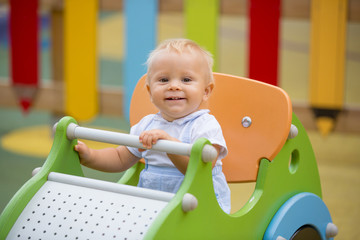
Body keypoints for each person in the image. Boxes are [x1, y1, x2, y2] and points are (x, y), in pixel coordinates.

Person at [75, 38, 231, 213]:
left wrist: (169, 144)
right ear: (150, 92)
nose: (174, 86)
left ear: (205, 91)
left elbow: (201, 171)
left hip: (200, 208)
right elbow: (120, 157)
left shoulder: (205, 125)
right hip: (154, 207)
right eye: (164, 80)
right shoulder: (147, 124)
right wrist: (90, 156)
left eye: (186, 79)